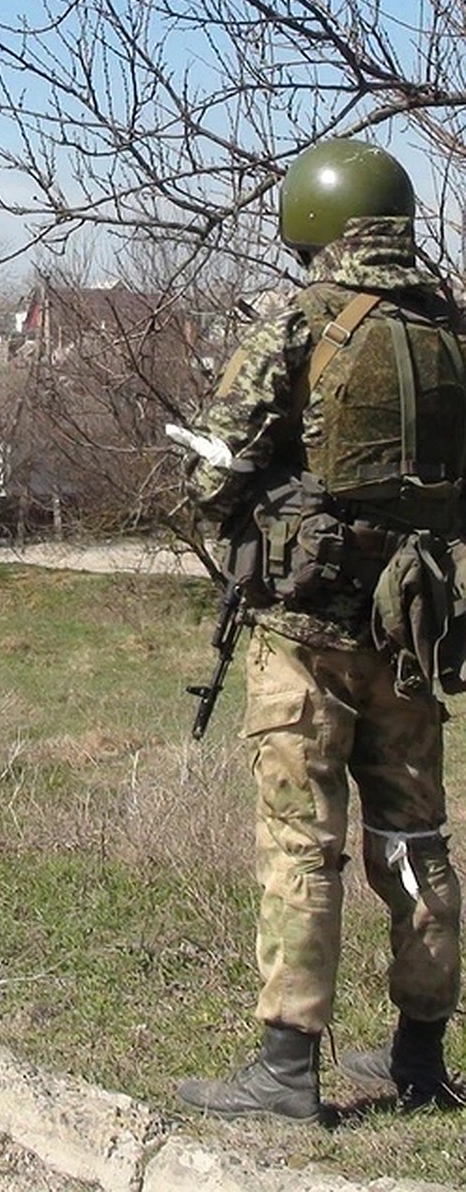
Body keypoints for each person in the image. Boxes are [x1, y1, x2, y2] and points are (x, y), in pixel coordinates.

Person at [176, 137, 465, 1121]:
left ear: (314, 221)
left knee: (302, 843)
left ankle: (286, 1068)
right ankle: (419, 1062)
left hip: (304, 631)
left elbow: (214, 475)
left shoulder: (298, 322)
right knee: (415, 837)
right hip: (413, 628)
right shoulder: (448, 330)